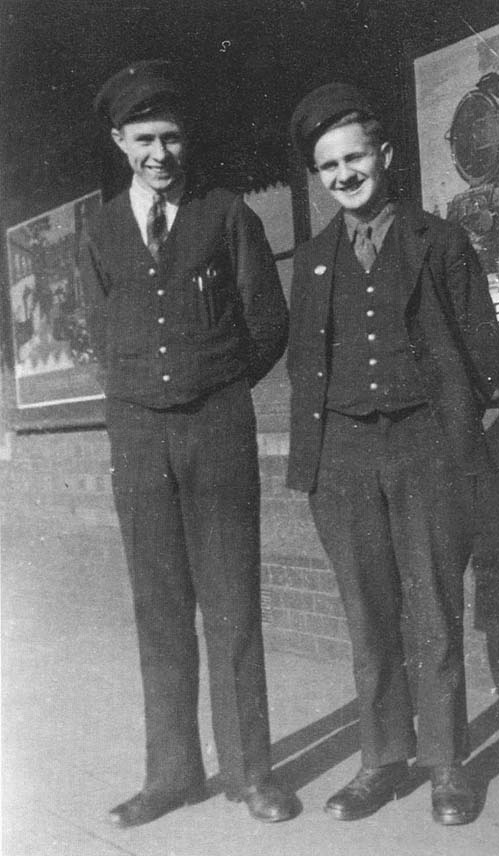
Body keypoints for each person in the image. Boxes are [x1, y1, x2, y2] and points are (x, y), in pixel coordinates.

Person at [82, 60, 295, 827]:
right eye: (144, 139)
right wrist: (148, 391)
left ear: (186, 138)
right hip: (138, 440)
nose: (160, 155)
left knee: (233, 603)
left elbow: (267, 323)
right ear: (119, 141)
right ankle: (173, 774)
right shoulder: (98, 229)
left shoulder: (226, 213)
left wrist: (216, 384)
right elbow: (102, 331)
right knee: (159, 608)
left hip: (217, 432)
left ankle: (250, 773)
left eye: (171, 137)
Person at [287, 83, 499, 826]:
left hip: (426, 449)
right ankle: (382, 760)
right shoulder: (313, 260)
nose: (344, 174)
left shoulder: (438, 241)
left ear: (384, 156)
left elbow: (483, 350)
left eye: (355, 158)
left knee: (435, 611)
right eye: (329, 166)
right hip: (343, 457)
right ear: (319, 178)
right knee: (368, 613)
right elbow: (303, 366)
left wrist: (449, 428)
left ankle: (447, 766)